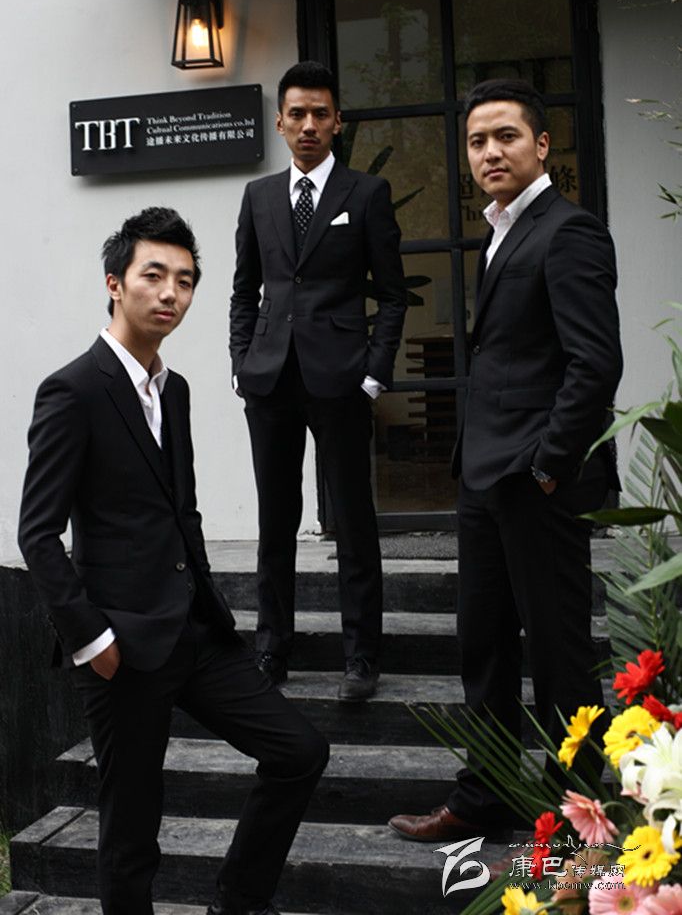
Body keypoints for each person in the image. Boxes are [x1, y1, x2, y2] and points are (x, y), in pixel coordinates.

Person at [18, 207, 329, 915]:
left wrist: (207, 603)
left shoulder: (175, 390)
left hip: (194, 633)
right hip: (122, 646)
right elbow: (37, 533)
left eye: (185, 281)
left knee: (300, 751)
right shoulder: (73, 390)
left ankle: (238, 901)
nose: (170, 293)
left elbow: (180, 511)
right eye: (153, 275)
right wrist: (93, 640)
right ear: (114, 283)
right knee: (132, 831)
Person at [389, 78, 623, 842]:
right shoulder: (499, 232)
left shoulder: (570, 231)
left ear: (542, 145)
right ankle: (483, 796)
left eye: (506, 136)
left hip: (537, 483)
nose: (490, 151)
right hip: (484, 478)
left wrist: (549, 464)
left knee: (558, 657)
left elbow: (595, 363)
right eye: (477, 141)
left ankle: (576, 823)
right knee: (482, 647)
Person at [229, 61, 406, 701]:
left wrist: (374, 375)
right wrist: (241, 364)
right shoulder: (258, 196)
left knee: (353, 522)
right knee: (275, 523)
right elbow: (244, 290)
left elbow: (392, 295)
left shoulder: (367, 193)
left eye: (320, 114)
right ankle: (271, 650)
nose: (308, 124)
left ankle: (361, 658)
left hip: (342, 380)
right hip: (269, 380)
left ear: (338, 122)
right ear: (280, 122)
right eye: (297, 114)